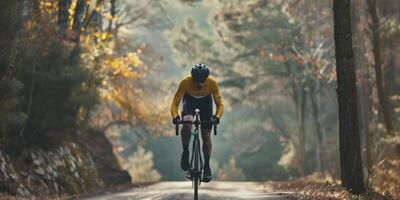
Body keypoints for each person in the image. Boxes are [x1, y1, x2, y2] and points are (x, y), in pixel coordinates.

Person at [171, 63, 224, 182]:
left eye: (202, 81)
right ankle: (185, 152)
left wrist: (217, 117)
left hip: (206, 103)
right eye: (196, 81)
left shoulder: (212, 83)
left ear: (206, 79)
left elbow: (220, 104)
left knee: (206, 135)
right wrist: (175, 116)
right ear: (192, 78)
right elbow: (175, 103)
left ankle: (206, 165)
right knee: (187, 122)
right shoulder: (185, 82)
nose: (199, 84)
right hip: (189, 101)